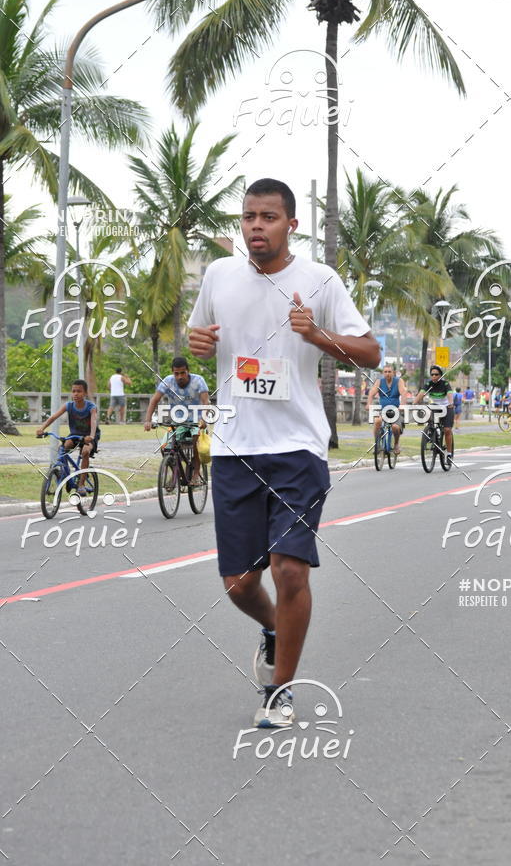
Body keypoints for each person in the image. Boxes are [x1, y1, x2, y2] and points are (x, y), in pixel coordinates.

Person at [188, 178, 380, 728]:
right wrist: (196, 343)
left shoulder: (319, 280)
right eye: (248, 216)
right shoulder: (220, 275)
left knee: (289, 569)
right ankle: (274, 631)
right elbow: (201, 335)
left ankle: (282, 690)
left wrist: (318, 335)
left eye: (268, 217)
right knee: (240, 584)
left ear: (291, 225)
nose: (255, 226)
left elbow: (368, 352)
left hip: (297, 449)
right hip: (233, 447)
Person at [144, 357, 210, 486]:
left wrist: (204, 419)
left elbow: (206, 402)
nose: (179, 376)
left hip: (196, 421)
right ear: (173, 373)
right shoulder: (168, 381)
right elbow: (154, 400)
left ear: (188, 371)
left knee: (195, 441)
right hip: (177, 422)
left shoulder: (199, 381)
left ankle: (196, 473)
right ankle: (175, 472)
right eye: (176, 373)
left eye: (182, 373)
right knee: (165, 447)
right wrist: (148, 420)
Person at [36, 379, 99, 493]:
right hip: (74, 435)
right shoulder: (69, 405)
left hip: (89, 436)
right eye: (73, 391)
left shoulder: (91, 406)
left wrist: (91, 436)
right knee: (64, 448)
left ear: (85, 393)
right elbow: (53, 417)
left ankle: (81, 484)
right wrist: (42, 428)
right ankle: (67, 476)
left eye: (79, 391)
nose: (75, 394)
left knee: (85, 452)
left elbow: (94, 421)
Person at [414, 366, 455, 459]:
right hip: (435, 406)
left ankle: (448, 453)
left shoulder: (445, 384)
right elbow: (421, 394)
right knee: (427, 413)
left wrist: (451, 403)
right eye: (432, 374)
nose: (434, 376)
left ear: (440, 375)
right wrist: (413, 404)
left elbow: (449, 394)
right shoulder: (428, 384)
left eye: (436, 374)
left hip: (447, 407)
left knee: (447, 430)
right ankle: (431, 431)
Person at [367, 364, 408, 453]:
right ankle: (377, 443)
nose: (387, 374)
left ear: (393, 373)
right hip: (384, 411)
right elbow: (371, 393)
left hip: (396, 411)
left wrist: (402, 405)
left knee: (395, 427)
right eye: (385, 372)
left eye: (389, 372)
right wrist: (368, 404)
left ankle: (396, 444)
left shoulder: (398, 381)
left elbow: (404, 393)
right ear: (383, 373)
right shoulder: (379, 382)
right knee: (377, 421)